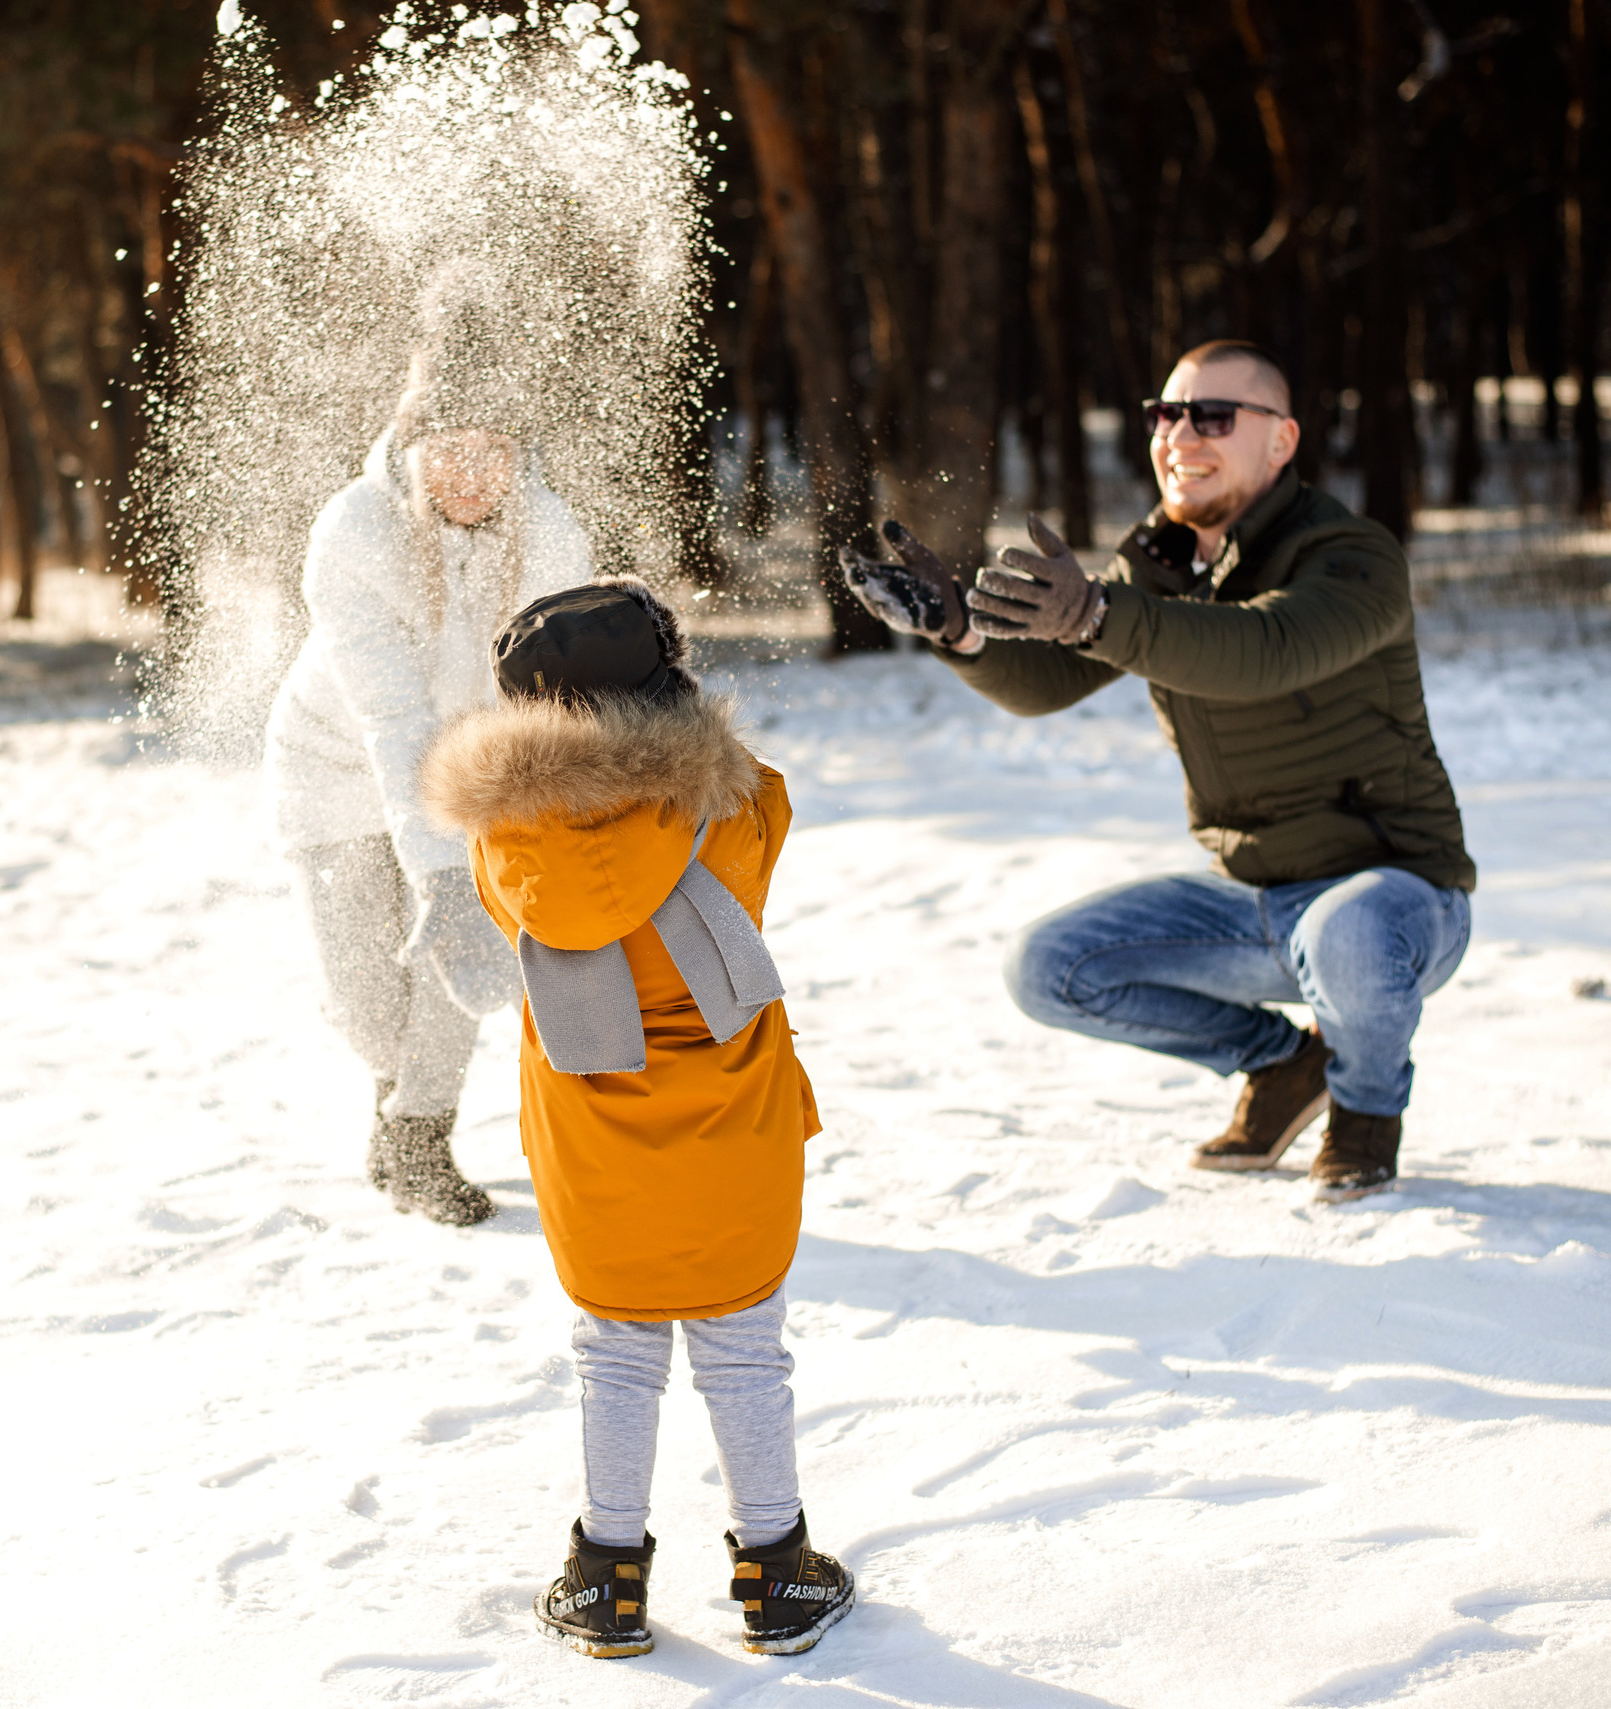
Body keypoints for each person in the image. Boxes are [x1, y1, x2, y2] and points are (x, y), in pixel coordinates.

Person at [841, 339, 1474, 1202]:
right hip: (1255, 895)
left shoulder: (1353, 557)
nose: (1179, 434)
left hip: (1397, 897)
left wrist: (1099, 610)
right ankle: (1287, 1063)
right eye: (1165, 414)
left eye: (1211, 415)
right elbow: (1052, 678)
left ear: (1281, 441)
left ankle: (1364, 1114)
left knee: (1347, 936)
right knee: (1048, 966)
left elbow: (1264, 649)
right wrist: (960, 632)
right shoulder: (1165, 561)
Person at [418, 579, 855, 1659]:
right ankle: (779, 1571)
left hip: (589, 1124)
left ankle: (606, 1574)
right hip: (729, 1110)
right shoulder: (731, 805)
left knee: (613, 1347)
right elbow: (772, 808)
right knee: (745, 1347)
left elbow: (529, 900)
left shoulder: (506, 840)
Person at [263, 298, 596, 1226]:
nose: (469, 474)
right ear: (408, 445)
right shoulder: (353, 534)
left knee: (464, 957)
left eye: (492, 450)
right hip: (334, 765)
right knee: (365, 999)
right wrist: (441, 871)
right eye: (446, 449)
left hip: (475, 766)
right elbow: (393, 719)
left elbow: (564, 692)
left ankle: (417, 1134)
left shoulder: (552, 537)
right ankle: (390, 1084)